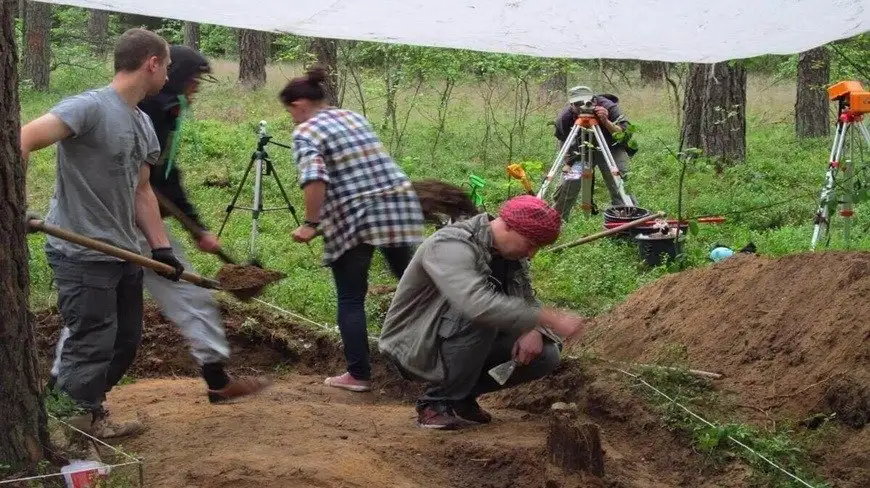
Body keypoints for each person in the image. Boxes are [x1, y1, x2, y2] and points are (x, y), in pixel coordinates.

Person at [21, 28, 183, 438]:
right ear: (151, 63)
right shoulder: (88, 107)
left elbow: (142, 190)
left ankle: (87, 412)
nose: (167, 76)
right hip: (80, 252)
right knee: (90, 343)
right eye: (166, 67)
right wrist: (13, 206)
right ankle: (66, 432)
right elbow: (21, 139)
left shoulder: (142, 122)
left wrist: (161, 249)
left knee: (124, 342)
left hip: (124, 252)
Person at [378, 195, 586, 429]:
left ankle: (460, 397)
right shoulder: (451, 244)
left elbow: (527, 299)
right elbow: (475, 303)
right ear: (508, 226)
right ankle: (435, 403)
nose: (531, 254)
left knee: (546, 353)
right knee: (479, 317)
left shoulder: (509, 255)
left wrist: (535, 329)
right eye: (530, 244)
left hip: (455, 336)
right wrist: (543, 317)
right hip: (414, 343)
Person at [279, 66, 425, 393]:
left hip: (354, 213)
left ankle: (358, 375)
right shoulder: (352, 116)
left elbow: (315, 179)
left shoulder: (306, 132)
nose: (291, 118)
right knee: (417, 286)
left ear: (300, 104)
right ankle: (436, 358)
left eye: (289, 110)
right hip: (397, 202)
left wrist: (310, 224)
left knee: (350, 297)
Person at [141, 45, 273, 402]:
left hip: (144, 217)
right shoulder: (150, 110)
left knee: (186, 298)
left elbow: (167, 174)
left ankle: (217, 379)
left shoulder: (166, 111)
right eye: (195, 79)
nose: (197, 87)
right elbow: (149, 179)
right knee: (186, 296)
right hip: (130, 221)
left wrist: (197, 229)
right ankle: (67, 395)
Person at [552, 85, 634, 221]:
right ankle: (556, 221)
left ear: (594, 100)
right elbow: (563, 140)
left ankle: (626, 220)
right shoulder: (565, 117)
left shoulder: (608, 106)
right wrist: (567, 162)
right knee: (569, 183)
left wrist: (606, 121)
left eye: (587, 102)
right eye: (577, 104)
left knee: (619, 182)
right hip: (580, 152)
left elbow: (625, 134)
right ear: (570, 104)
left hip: (610, 148)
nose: (582, 107)